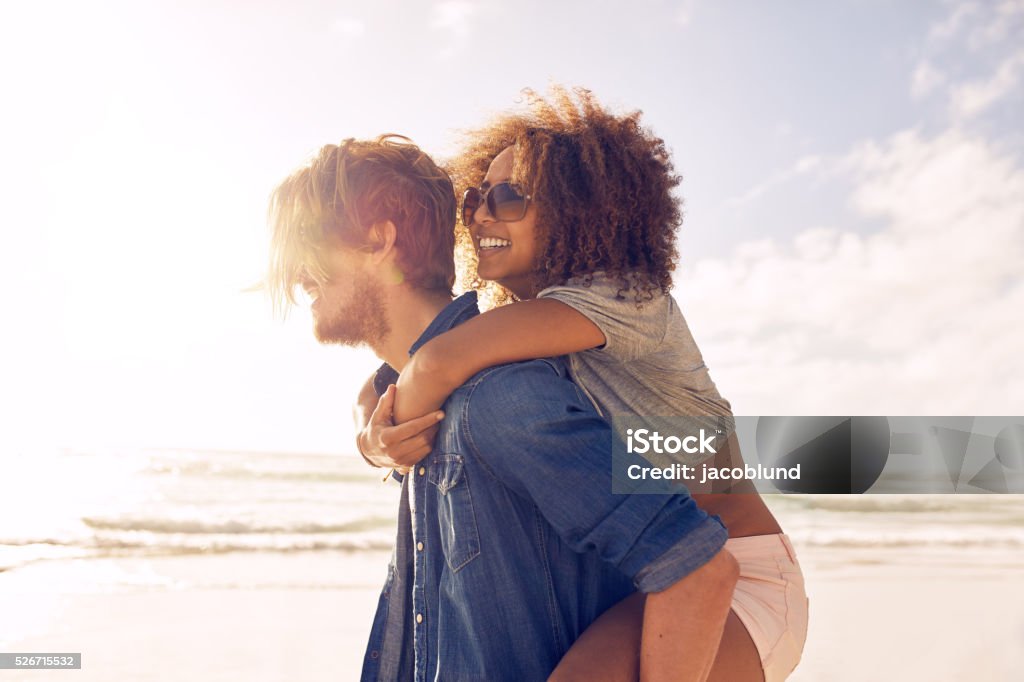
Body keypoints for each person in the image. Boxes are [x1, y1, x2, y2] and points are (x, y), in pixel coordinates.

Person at [356, 89, 809, 681]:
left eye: (510, 196)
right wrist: (373, 434)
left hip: (737, 577)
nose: (482, 215)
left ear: (581, 208)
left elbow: (436, 361)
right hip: (654, 577)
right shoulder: (524, 329)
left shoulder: (628, 300)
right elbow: (392, 375)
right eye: (475, 198)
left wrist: (387, 440)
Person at [267, 134, 739, 681]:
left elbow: (696, 567)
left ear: (379, 241)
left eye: (307, 244)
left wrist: (392, 415)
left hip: (745, 566)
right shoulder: (439, 397)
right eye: (475, 202)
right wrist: (371, 434)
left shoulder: (502, 391)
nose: (296, 273)